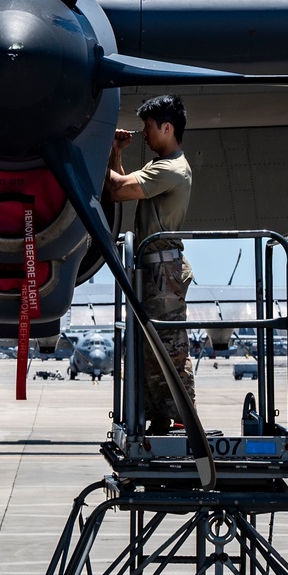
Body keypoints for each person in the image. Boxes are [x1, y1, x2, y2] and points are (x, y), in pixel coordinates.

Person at [105, 94, 194, 434]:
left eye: (148, 127)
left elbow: (116, 189)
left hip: (162, 271)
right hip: (154, 269)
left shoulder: (170, 169)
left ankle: (182, 421)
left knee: (169, 348)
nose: (144, 134)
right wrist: (116, 152)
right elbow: (124, 186)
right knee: (149, 349)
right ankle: (159, 420)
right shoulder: (163, 167)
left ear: (167, 128)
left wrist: (99, 148)